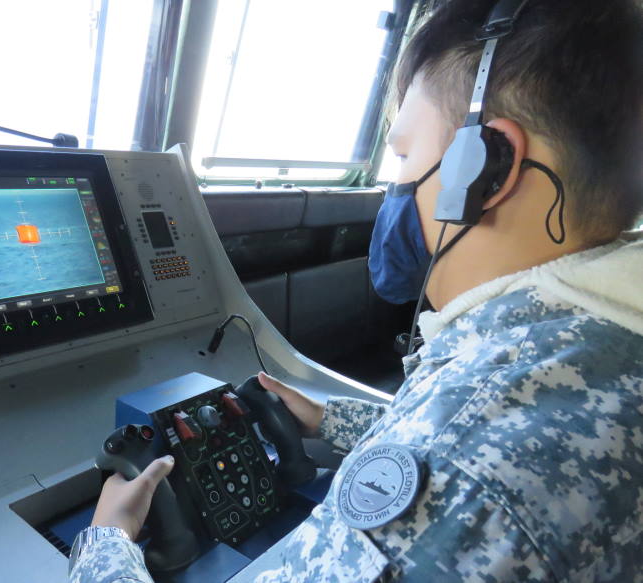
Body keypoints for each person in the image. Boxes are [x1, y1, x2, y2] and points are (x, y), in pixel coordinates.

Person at [68, 0, 643, 580]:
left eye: (402, 155)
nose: (395, 185)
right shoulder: (597, 345)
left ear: (483, 168)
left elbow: (458, 465)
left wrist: (107, 541)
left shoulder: (463, 463)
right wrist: (331, 419)